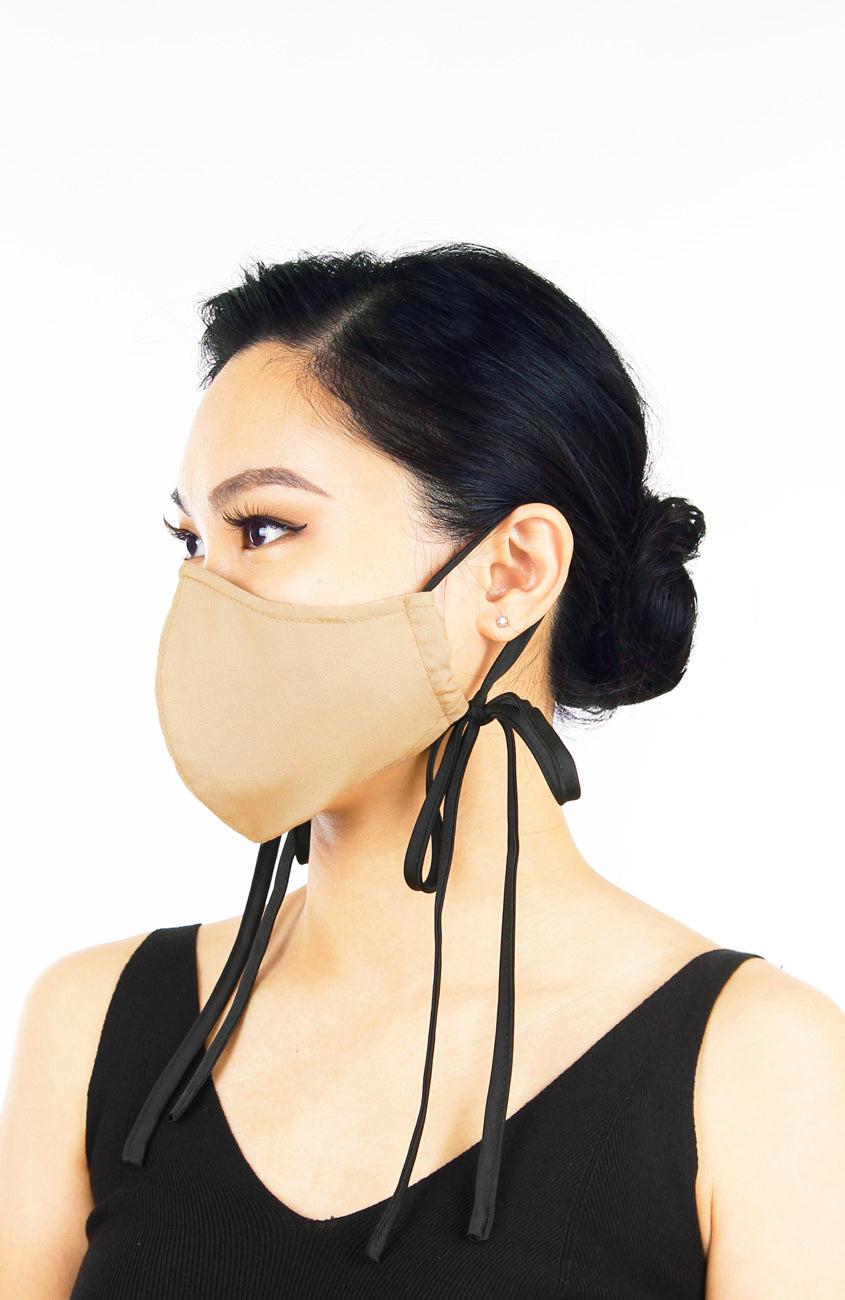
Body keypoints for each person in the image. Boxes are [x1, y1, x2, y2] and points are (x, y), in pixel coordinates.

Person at [1, 243, 843, 1299]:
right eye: (191, 541)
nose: (205, 598)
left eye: (264, 527)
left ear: (511, 572)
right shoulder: (93, 1025)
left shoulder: (757, 1066)